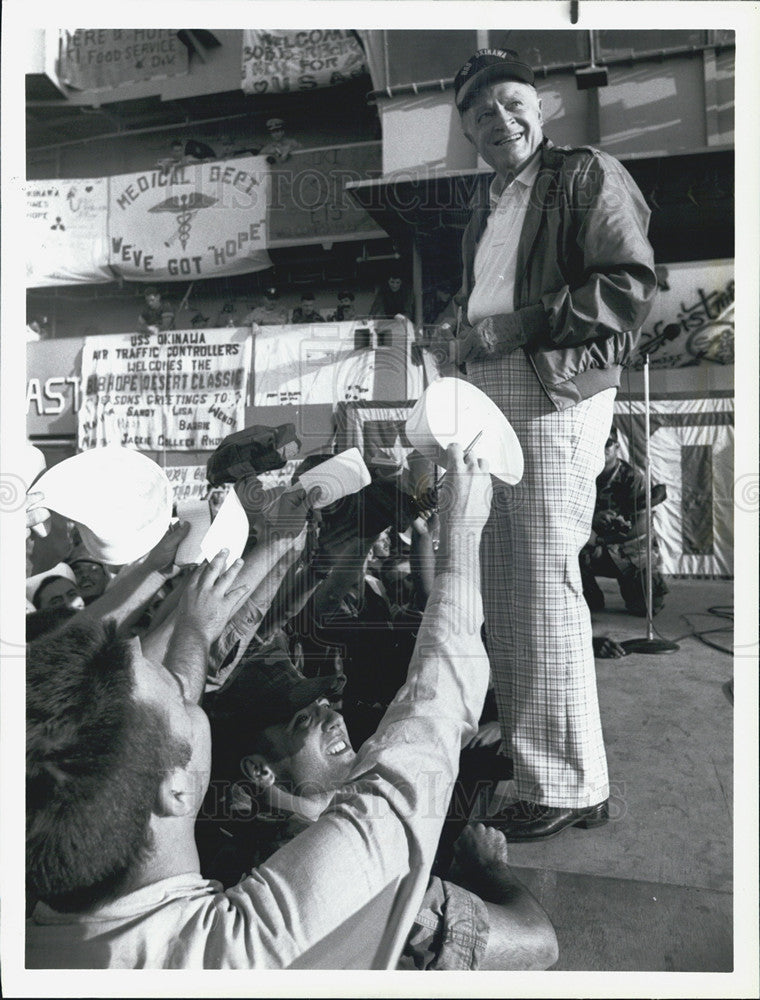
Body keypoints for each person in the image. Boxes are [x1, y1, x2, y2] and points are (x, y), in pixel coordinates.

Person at [26, 446, 517, 969]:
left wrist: (161, 575)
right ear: (175, 790)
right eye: (178, 692)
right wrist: (462, 536)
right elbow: (429, 722)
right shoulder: (266, 939)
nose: (187, 675)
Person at [445, 49, 657, 841]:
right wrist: (464, 329)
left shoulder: (582, 173)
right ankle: (545, 750)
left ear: (541, 107)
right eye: (480, 112)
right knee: (503, 581)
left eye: (510, 103)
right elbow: (490, 297)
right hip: (497, 379)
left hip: (553, 387)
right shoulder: (489, 201)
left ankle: (568, 782)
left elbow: (628, 286)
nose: (498, 120)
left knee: (539, 578)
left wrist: (511, 326)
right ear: (467, 130)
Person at [199, 654, 558, 972]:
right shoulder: (341, 863)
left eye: (326, 704)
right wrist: (488, 866)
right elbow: (538, 944)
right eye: (304, 719)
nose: (334, 718)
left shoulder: (243, 843)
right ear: (260, 771)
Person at [579, 426, 668, 617]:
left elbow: (642, 526)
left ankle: (640, 585)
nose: (602, 449)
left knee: (646, 608)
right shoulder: (582, 477)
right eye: (597, 444)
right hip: (596, 550)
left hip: (631, 553)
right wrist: (593, 519)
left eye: (608, 444)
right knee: (565, 550)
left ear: (617, 446)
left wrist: (600, 539)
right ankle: (589, 595)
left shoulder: (633, 478)